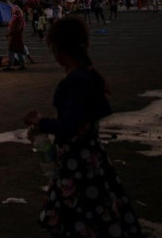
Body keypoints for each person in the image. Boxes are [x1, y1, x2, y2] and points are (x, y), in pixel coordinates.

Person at [23, 17, 143, 237]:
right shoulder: (86, 76)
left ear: (56, 48)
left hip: (78, 165)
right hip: (91, 160)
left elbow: (69, 126)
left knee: (80, 220)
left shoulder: (76, 80)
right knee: (100, 218)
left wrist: (39, 122)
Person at [3, 5, 27, 70]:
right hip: (15, 38)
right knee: (16, 51)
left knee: (14, 51)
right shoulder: (16, 18)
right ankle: (22, 64)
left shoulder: (19, 18)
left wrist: (10, 33)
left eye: (13, 10)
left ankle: (11, 65)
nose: (12, 11)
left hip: (16, 38)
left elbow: (17, 29)